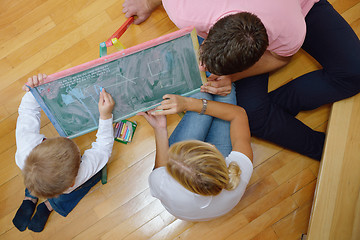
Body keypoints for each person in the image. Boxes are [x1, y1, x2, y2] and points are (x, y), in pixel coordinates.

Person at [123, 0, 360, 160]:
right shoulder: (184, 8)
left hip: (295, 9)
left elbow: (280, 58)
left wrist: (234, 77)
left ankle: (277, 114)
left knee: (354, 72)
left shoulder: (291, 30)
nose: (203, 69)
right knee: (253, 116)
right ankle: (320, 146)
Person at [12, 74, 115, 232]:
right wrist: (106, 116)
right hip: (58, 184)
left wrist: (36, 90)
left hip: (35, 175)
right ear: (72, 180)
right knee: (95, 173)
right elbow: (102, 149)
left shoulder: (26, 145)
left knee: (37, 178)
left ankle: (30, 196)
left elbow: (27, 110)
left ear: (45, 143)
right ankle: (49, 205)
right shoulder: (74, 180)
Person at [139, 89, 253, 221]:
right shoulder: (239, 170)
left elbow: (160, 169)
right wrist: (188, 103)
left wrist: (160, 129)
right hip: (213, 188)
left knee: (203, 94)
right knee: (223, 94)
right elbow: (238, 114)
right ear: (212, 147)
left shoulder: (161, 184)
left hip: (188, 201)